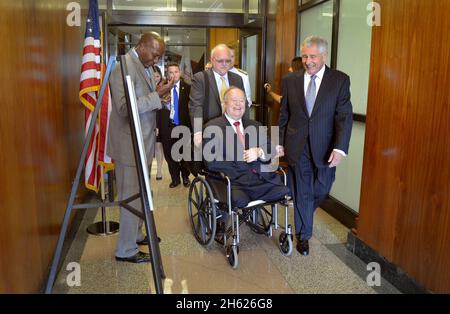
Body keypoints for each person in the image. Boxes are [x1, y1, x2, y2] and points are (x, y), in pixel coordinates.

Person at [278, 36, 353, 256]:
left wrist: (340, 148)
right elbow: (284, 114)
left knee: (321, 189)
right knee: (303, 191)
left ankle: (303, 211)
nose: (308, 61)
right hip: (296, 145)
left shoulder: (339, 80)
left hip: (326, 147)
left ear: (324, 55)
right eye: (304, 56)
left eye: (312, 56)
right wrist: (279, 143)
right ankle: (303, 236)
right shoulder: (290, 80)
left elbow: (344, 116)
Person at [108, 32, 173, 263]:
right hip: (128, 146)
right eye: (155, 55)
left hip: (142, 143)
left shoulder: (142, 65)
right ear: (142, 46)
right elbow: (124, 108)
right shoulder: (122, 67)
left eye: (159, 57)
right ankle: (125, 251)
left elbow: (143, 101)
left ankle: (135, 235)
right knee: (130, 197)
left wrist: (159, 99)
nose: (156, 61)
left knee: (140, 194)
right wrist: (158, 96)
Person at [204, 87, 290, 209]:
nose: (238, 104)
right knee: (240, 200)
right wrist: (242, 167)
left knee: (285, 191)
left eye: (242, 101)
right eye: (234, 100)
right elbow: (211, 163)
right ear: (224, 103)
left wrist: (259, 151)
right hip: (233, 182)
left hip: (259, 179)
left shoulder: (255, 125)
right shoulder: (212, 127)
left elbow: (269, 146)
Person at [189, 44, 247, 149]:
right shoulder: (201, 78)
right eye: (220, 61)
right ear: (212, 60)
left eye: (228, 61)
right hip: (209, 130)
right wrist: (198, 132)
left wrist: (246, 129)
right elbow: (196, 106)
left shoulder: (237, 79)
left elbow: (243, 104)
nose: (224, 64)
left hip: (233, 131)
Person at [159, 62, 191, 188]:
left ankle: (185, 176)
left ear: (180, 73)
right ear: (167, 74)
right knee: (169, 154)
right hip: (167, 126)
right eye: (171, 72)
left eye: (176, 72)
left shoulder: (188, 88)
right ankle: (175, 178)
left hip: (183, 125)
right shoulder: (161, 88)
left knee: (184, 153)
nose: (174, 75)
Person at [153, 65, 165, 180]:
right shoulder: (146, 86)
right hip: (147, 119)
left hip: (160, 118)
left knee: (158, 145)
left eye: (157, 76)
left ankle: (159, 170)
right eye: (153, 76)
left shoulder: (164, 87)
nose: (155, 78)